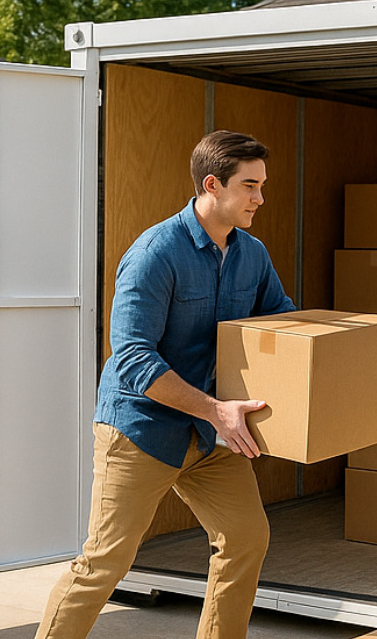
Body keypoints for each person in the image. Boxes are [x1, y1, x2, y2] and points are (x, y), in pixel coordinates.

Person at [35, 130, 296, 639]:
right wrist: (214, 410)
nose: (260, 198)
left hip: (209, 433)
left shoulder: (252, 254)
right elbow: (133, 358)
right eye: (250, 186)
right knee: (105, 561)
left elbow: (281, 324)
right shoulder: (155, 253)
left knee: (246, 538)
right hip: (142, 429)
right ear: (212, 185)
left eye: (262, 186)